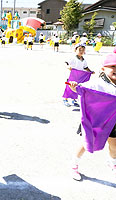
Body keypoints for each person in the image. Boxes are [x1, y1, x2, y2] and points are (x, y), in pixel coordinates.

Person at [68, 48, 116, 181]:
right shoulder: (98, 83)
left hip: (113, 122)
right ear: (103, 69)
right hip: (95, 120)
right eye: (112, 66)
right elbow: (83, 90)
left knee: (114, 146)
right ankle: (74, 164)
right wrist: (74, 86)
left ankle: (112, 163)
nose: (115, 69)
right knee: (86, 143)